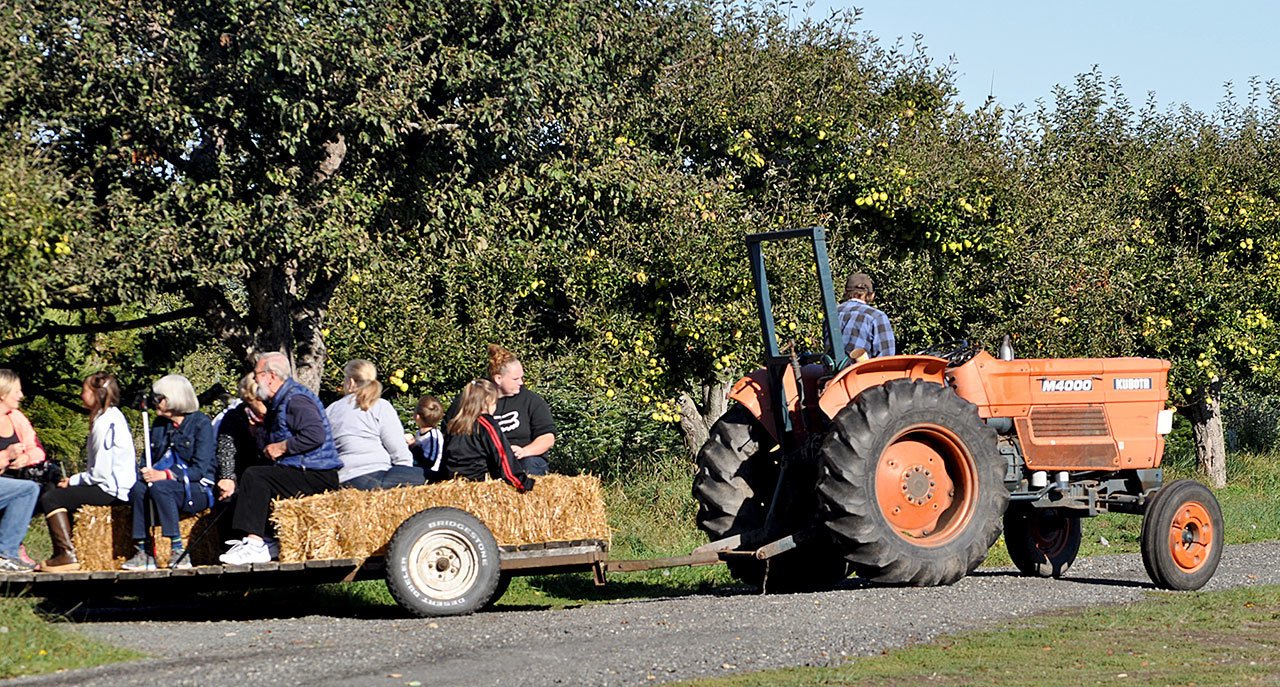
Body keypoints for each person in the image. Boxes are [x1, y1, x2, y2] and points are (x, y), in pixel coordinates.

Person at [220, 352, 341, 565]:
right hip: (301, 469)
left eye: (257, 374)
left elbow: (315, 435)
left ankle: (256, 543)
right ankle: (267, 539)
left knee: (256, 477)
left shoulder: (296, 399)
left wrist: (282, 447)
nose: (255, 379)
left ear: (271, 376)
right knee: (256, 475)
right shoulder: (280, 401)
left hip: (316, 473)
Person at [38, 372, 136, 572]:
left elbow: (100, 473)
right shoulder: (113, 417)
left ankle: (66, 554)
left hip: (112, 490)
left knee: (52, 498)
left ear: (96, 394)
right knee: (61, 493)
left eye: (84, 391)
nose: (81, 395)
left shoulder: (104, 423)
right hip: (116, 485)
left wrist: (73, 481)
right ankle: (72, 551)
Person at [122, 374, 216, 571]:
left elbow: (199, 470)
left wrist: (166, 474)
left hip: (195, 488)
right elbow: (148, 458)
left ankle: (178, 550)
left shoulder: (200, 423)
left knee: (160, 488)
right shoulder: (159, 425)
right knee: (139, 489)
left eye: (159, 398)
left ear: (173, 398)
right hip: (163, 484)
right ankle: (142, 551)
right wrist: (145, 471)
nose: (155, 402)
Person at [328, 359, 423, 490]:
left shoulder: (331, 409)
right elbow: (398, 451)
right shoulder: (380, 406)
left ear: (350, 382)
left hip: (343, 478)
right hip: (377, 475)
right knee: (436, 477)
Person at [443, 379, 533, 492]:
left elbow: (445, 457)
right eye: (494, 403)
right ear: (487, 401)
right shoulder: (486, 423)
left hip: (453, 483)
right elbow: (502, 454)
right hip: (479, 482)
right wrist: (520, 482)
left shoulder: (454, 424)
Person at [485, 344, 556, 476]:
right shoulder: (478, 401)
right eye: (515, 379)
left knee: (527, 466)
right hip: (491, 459)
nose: (521, 382)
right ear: (498, 379)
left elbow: (548, 438)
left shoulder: (531, 401)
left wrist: (523, 451)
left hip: (525, 458)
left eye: (521, 377)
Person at [214, 373, 271, 503]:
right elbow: (226, 449)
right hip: (241, 474)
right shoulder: (234, 417)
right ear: (250, 397)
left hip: (268, 475)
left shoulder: (277, 414)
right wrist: (227, 477)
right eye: (260, 397)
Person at [837, 273, 895, 359]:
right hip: (859, 371)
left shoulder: (833, 313)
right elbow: (886, 358)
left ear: (846, 292)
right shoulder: (876, 317)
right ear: (871, 295)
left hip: (832, 371)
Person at [407, 395, 446, 483]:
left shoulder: (433, 436)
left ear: (417, 416)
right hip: (419, 471)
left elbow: (430, 461)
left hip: (430, 475)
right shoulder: (419, 433)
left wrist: (413, 446)